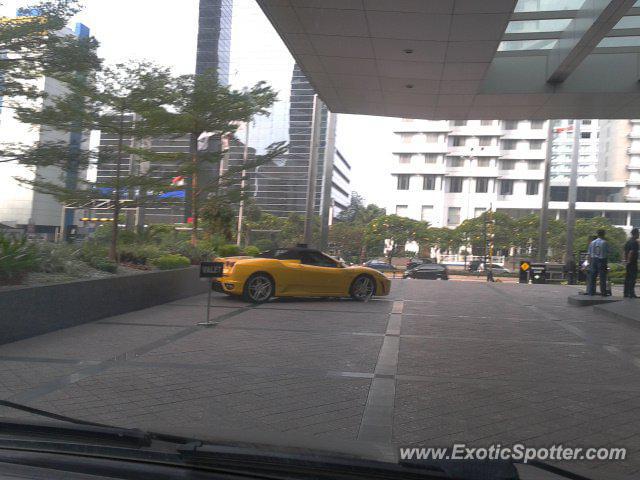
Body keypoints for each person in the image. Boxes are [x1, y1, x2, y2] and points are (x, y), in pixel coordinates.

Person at [587, 229, 609, 296]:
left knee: (592, 277)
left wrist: (589, 263)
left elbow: (589, 254)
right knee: (602, 277)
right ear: (603, 234)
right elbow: (607, 252)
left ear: (597, 234)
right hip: (602, 260)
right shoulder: (604, 242)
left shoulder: (592, 242)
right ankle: (603, 293)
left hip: (593, 260)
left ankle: (591, 292)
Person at [624, 228, 639, 298]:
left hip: (628, 262)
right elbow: (631, 252)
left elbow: (624, 252)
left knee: (627, 278)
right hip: (632, 262)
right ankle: (631, 293)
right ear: (635, 234)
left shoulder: (628, 241)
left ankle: (626, 293)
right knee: (632, 278)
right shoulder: (634, 242)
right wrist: (629, 260)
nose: (639, 235)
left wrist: (625, 261)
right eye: (638, 233)